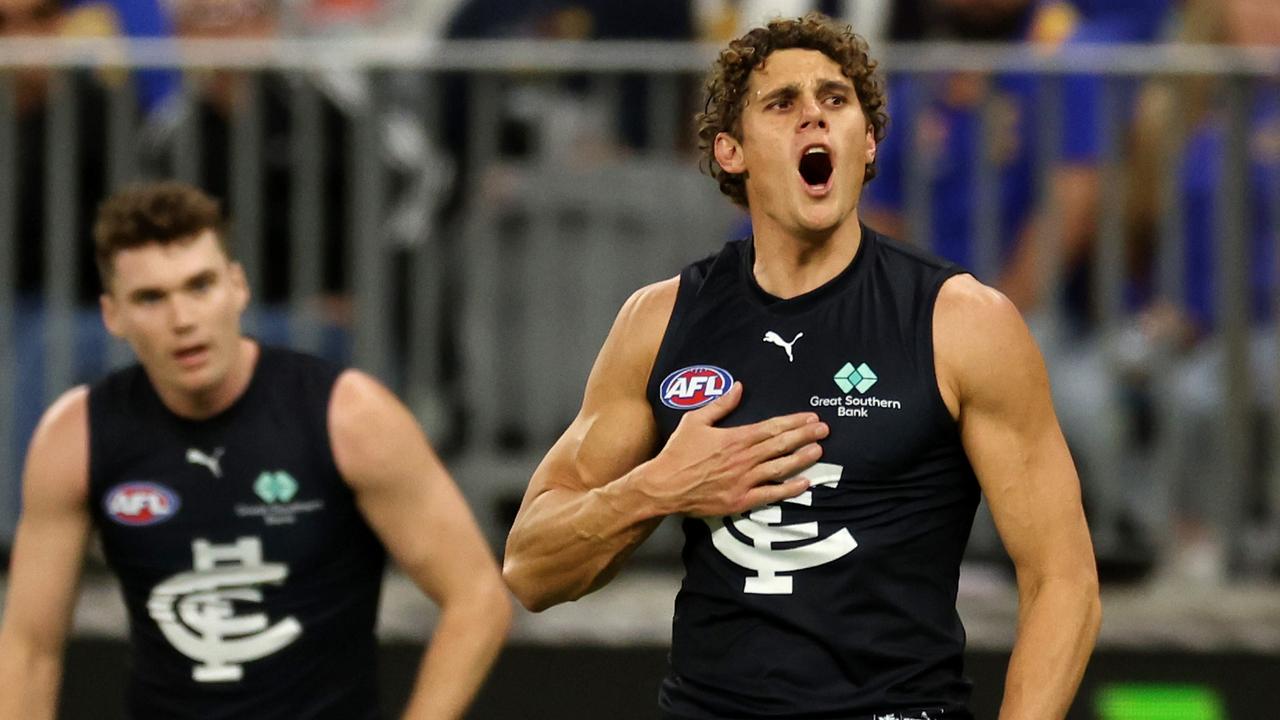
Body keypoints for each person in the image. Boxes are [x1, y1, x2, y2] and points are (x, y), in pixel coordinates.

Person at [503, 13, 1099, 719]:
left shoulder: (962, 322)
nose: (814, 116)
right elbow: (530, 570)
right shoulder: (660, 321)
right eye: (782, 104)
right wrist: (656, 490)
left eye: (836, 101)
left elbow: (1064, 582)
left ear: (868, 141)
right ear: (732, 151)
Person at [0, 181, 511, 719]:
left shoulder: (350, 417)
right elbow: (30, 647)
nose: (183, 320)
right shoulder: (76, 435)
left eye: (200, 285)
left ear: (238, 287)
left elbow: (477, 597)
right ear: (112, 316)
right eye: (151, 298)